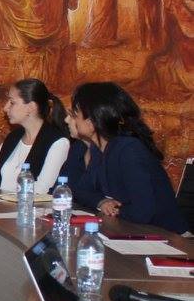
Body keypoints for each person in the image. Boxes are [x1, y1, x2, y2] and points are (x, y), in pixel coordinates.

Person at [63, 82, 186, 233]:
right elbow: (80, 191)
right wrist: (101, 202)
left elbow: (143, 211)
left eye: (75, 115)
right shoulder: (99, 148)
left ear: (91, 122)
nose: (71, 120)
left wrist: (115, 210)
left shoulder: (129, 149)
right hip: (132, 231)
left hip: (166, 236)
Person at [0, 78, 69, 194]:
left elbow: (42, 190)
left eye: (12, 102)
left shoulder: (57, 142)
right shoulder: (13, 137)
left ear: (30, 107)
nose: (5, 108)